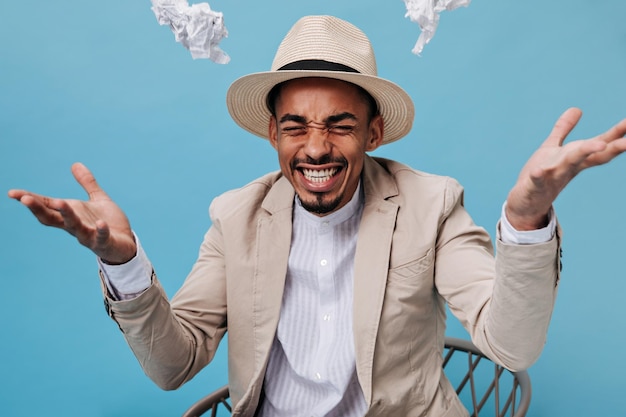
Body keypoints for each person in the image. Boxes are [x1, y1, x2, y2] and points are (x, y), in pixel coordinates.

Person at [8, 15, 626, 417]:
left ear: (374, 134)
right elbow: (175, 366)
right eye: (296, 127)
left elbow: (511, 346)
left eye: (340, 125)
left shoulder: (433, 203)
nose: (316, 148)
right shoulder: (235, 216)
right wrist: (124, 263)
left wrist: (526, 217)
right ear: (272, 133)